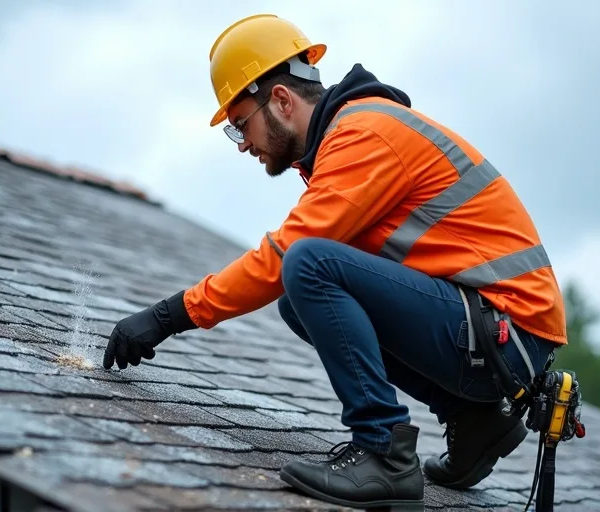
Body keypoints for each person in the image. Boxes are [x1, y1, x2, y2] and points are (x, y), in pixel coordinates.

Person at [102, 13, 567, 511]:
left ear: (280, 100)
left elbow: (285, 255)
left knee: (307, 266)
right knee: (299, 300)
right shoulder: (354, 135)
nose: (243, 145)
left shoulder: (364, 135)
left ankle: (384, 452)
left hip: (503, 335)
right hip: (494, 333)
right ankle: (476, 422)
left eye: (242, 125)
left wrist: (167, 316)